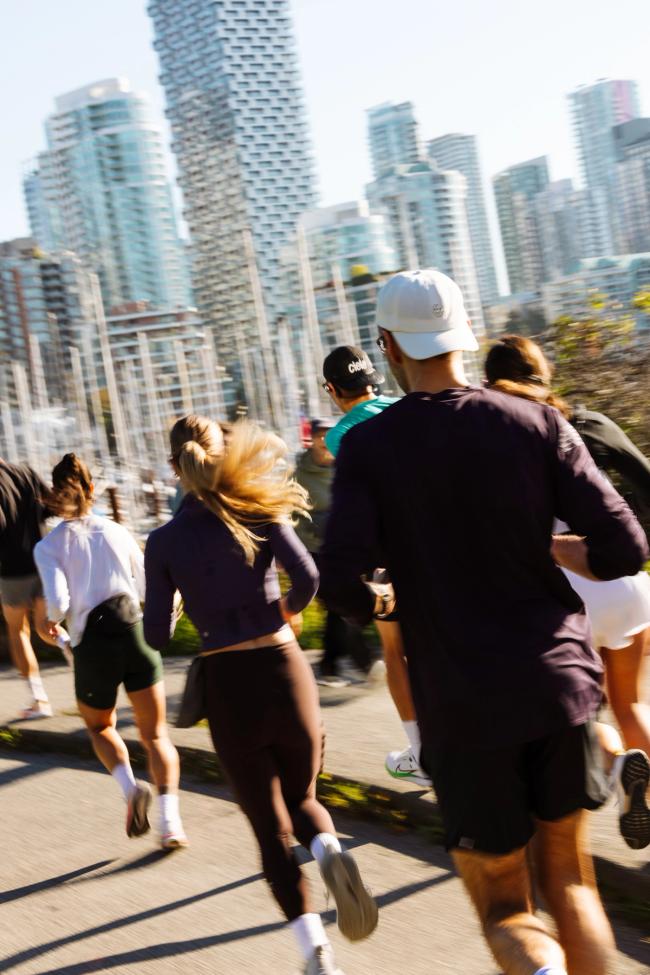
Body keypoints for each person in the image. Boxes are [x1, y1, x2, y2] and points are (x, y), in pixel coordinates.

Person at [320, 268, 649, 975]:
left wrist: (393, 599)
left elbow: (340, 583)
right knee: (569, 873)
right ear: (463, 335)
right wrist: (553, 546)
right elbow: (626, 547)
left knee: (505, 901)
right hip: (560, 684)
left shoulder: (372, 449)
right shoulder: (535, 421)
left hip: (464, 704)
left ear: (387, 345)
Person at [144, 416, 377, 975]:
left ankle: (316, 954)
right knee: (304, 799)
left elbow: (154, 636)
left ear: (175, 469)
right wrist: (277, 614)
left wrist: (179, 608)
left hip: (229, 686)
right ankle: (329, 851)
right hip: (285, 668)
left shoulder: (164, 542)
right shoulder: (260, 510)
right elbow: (309, 579)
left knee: (268, 827)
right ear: (226, 457)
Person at [485, 333, 650, 849]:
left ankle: (621, 765)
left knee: (588, 720)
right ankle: (641, 772)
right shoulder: (590, 423)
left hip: (569, 595)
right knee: (631, 706)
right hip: (627, 584)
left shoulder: (505, 441)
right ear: (544, 373)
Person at [33, 453, 186, 850]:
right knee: (155, 735)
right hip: (135, 633)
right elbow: (147, 586)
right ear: (92, 490)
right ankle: (171, 825)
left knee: (101, 727)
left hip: (94, 646)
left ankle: (130, 787)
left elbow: (59, 604)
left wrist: (51, 623)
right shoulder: (117, 530)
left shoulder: (49, 547)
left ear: (55, 494)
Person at [322, 346, 429, 787]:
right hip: (441, 545)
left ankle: (421, 754)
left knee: (395, 651)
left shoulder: (340, 437)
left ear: (332, 390)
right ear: (373, 379)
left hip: (390, 561)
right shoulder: (408, 409)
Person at [295, 418, 375, 687]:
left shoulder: (344, 464)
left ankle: (332, 663)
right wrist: (317, 528)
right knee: (338, 604)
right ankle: (362, 661)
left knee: (340, 604)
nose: (324, 441)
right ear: (312, 439)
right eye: (320, 435)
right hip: (317, 549)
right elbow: (295, 514)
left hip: (346, 544)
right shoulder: (300, 474)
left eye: (329, 435)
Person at [0, 457, 61, 719]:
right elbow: (52, 507)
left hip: (12, 570)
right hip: (44, 562)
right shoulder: (25, 472)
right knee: (48, 627)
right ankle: (86, 665)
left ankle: (39, 701)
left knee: (18, 631)